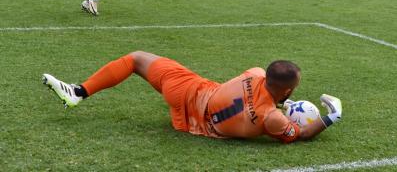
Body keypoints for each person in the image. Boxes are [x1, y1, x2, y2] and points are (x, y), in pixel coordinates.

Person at [42, 51, 342, 143]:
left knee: (135, 59)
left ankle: (79, 92)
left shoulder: (253, 73)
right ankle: (77, 93)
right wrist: (332, 116)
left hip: (188, 92)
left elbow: (260, 95)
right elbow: (300, 134)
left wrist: (279, 101)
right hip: (194, 124)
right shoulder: (273, 119)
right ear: (287, 91)